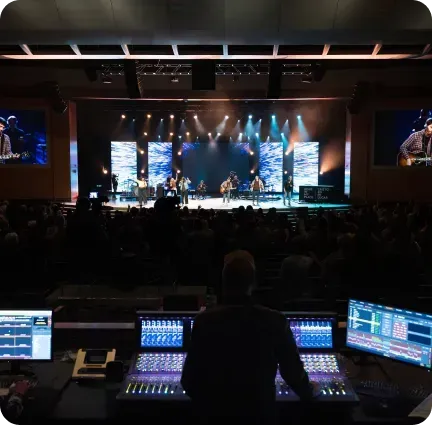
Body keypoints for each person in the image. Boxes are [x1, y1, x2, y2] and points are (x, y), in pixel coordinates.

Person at [181, 250, 317, 424]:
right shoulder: (275, 320)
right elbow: (292, 373)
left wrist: (211, 404)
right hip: (260, 414)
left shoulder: (203, 321)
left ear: (223, 283)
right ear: (253, 284)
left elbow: (189, 381)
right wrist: (309, 392)